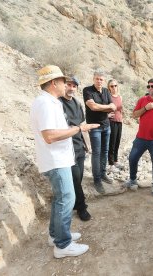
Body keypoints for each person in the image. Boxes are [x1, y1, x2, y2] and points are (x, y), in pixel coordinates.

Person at [30, 65, 99, 258]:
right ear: (53, 83)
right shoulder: (45, 103)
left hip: (58, 159)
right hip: (56, 161)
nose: (65, 84)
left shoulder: (49, 102)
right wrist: (79, 129)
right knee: (67, 199)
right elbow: (50, 135)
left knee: (61, 199)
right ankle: (63, 245)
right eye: (62, 81)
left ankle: (56, 235)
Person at [59, 76, 91, 221]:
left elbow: (82, 126)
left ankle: (75, 203)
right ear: (63, 86)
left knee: (78, 178)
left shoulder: (77, 104)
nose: (71, 88)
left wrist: (87, 145)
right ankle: (81, 207)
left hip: (79, 148)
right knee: (76, 178)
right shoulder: (58, 104)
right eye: (69, 85)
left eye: (74, 86)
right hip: (66, 148)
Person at [83, 71, 116, 194]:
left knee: (105, 151)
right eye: (97, 79)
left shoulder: (106, 91)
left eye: (101, 79)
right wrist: (106, 107)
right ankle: (96, 180)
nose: (99, 81)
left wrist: (102, 106)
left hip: (106, 126)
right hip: (95, 126)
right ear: (93, 79)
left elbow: (113, 106)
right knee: (96, 153)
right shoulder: (87, 90)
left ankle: (102, 174)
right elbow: (93, 107)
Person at [107, 79, 124, 173]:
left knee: (117, 141)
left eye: (115, 85)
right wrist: (107, 116)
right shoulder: (108, 97)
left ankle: (116, 160)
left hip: (119, 121)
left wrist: (122, 118)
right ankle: (111, 163)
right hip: (111, 121)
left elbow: (120, 109)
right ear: (109, 88)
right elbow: (104, 109)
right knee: (112, 142)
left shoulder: (120, 97)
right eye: (112, 86)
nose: (114, 88)